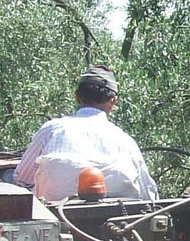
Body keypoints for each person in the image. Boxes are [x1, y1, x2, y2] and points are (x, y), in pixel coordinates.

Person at [10, 67, 158, 201]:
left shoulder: (52, 130)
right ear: (113, 101)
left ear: (77, 96)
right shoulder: (125, 142)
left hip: (55, 220)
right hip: (117, 221)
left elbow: (23, 178)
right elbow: (148, 194)